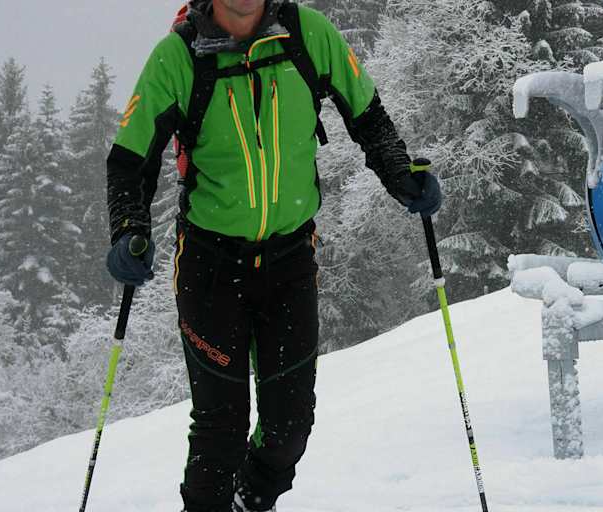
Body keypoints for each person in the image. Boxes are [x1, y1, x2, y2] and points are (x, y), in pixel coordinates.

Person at [103, 0, 442, 510]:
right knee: (221, 429)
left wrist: (400, 174)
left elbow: (367, 115)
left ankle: (252, 500)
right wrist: (129, 229)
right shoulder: (179, 58)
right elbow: (130, 160)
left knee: (290, 427)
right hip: (210, 265)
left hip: (288, 262)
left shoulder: (308, 35)